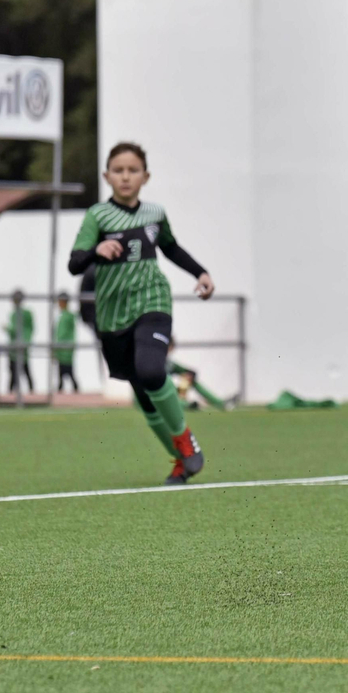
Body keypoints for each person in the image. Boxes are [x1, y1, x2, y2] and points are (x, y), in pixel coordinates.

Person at [68, 142, 213, 485]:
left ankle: (186, 443)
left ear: (145, 176)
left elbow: (171, 248)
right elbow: (74, 263)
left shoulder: (155, 214)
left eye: (133, 170)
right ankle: (180, 462)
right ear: (107, 176)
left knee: (150, 370)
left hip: (152, 302)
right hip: (113, 313)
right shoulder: (97, 217)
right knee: (141, 391)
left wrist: (201, 273)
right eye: (118, 170)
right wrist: (96, 250)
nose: (126, 176)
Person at [167, 339, 233, 410]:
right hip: (160, 392)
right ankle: (187, 405)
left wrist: (190, 374)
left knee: (189, 379)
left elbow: (185, 370)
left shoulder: (168, 363)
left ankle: (219, 403)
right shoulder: (158, 360)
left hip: (170, 391)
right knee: (168, 393)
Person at [4, 289, 35, 393]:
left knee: (19, 372)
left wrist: (7, 329)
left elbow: (15, 330)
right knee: (20, 373)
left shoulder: (18, 314)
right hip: (18, 347)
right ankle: (23, 393)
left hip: (18, 348)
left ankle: (13, 395)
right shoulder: (23, 314)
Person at [54, 291, 79, 393]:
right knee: (62, 373)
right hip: (62, 349)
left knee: (68, 372)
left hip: (66, 349)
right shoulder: (64, 316)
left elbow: (63, 334)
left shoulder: (68, 316)